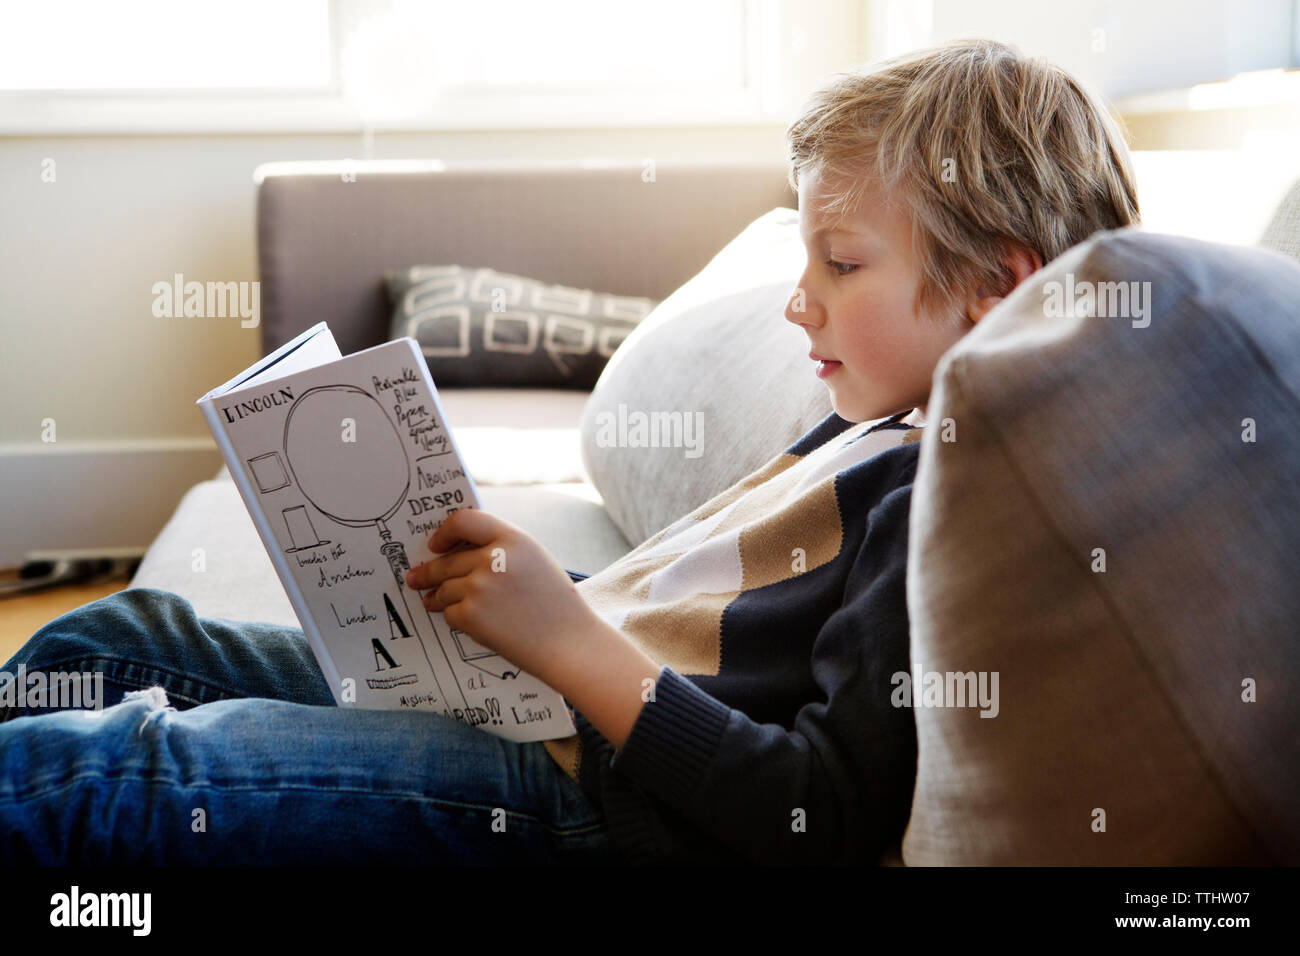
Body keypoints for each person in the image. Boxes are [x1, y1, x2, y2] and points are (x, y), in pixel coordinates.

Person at [0, 38, 1139, 865]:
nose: (799, 304)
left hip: (598, 798)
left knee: (112, 777)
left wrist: (563, 637)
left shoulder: (953, 493)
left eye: (839, 263)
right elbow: (685, 608)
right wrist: (508, 595)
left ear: (999, 286)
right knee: (123, 634)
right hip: (531, 697)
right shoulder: (870, 422)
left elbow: (814, 811)